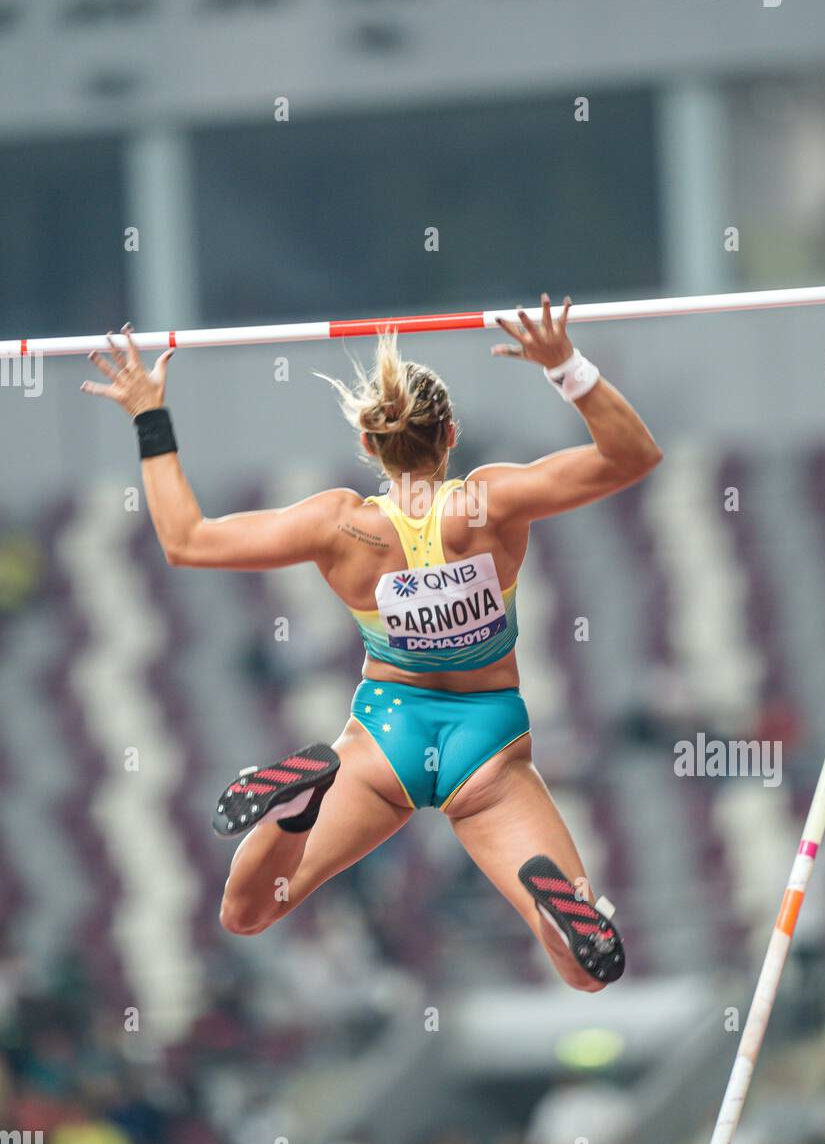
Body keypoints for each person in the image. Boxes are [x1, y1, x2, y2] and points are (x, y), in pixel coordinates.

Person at [81, 295, 662, 990]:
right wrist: (565, 365)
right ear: (451, 435)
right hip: (490, 747)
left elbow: (186, 540)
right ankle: (562, 913)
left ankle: (294, 812)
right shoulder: (490, 502)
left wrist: (149, 413)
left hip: (384, 738)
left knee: (248, 911)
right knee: (585, 978)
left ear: (369, 447)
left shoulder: (341, 527)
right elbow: (633, 456)